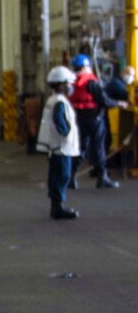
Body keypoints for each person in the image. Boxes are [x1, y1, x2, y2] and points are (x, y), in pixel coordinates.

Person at [69, 54, 128, 189]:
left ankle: (71, 177)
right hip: (95, 119)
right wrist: (119, 103)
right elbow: (104, 100)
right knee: (99, 148)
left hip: (80, 118)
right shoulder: (91, 82)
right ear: (84, 67)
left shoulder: (74, 83)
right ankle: (102, 177)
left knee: (81, 148)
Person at [36, 67, 81, 220]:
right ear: (61, 85)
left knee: (57, 175)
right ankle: (58, 207)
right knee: (62, 175)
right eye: (69, 83)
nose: (71, 86)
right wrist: (66, 134)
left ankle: (56, 206)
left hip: (56, 146)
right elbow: (60, 122)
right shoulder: (60, 102)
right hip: (61, 147)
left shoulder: (53, 99)